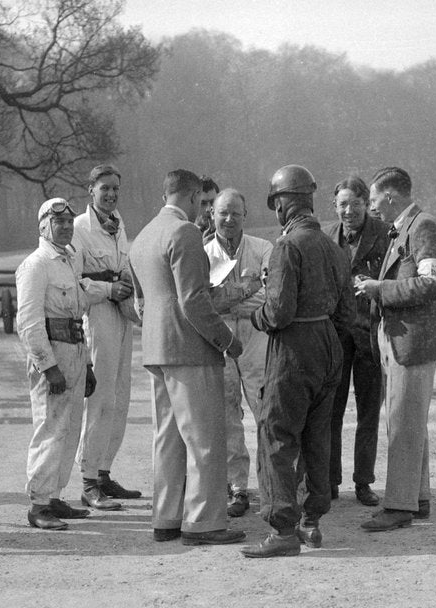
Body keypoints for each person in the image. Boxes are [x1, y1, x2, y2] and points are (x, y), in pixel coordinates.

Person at [241, 164, 355, 559]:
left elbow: (278, 313)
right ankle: (312, 522)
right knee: (317, 436)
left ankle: (283, 529)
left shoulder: (287, 247)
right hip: (328, 346)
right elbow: (347, 313)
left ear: (282, 204)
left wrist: (253, 317)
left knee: (276, 435)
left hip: (293, 347)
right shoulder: (334, 248)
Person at [129, 169, 245, 545]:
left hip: (156, 349)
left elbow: (142, 302)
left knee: (167, 438)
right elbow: (193, 300)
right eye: (205, 204)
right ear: (194, 198)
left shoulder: (143, 236)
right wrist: (226, 339)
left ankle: (167, 518)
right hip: (191, 349)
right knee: (204, 439)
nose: (206, 211)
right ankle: (205, 523)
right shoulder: (186, 232)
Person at [355, 167, 436, 533]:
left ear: (390, 196)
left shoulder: (423, 227)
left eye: (373, 201)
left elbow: (432, 283)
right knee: (412, 422)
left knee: (402, 424)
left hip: (413, 343)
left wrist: (378, 289)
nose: (371, 209)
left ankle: (399, 506)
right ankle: (418, 498)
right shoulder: (408, 227)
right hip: (405, 340)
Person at [15, 198, 101, 531]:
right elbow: (29, 322)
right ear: (43, 226)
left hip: (75, 351)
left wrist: (88, 364)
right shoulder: (36, 265)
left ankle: (54, 496)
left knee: (70, 429)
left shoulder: (69, 261)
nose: (65, 227)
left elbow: (79, 315)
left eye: (69, 221)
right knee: (50, 429)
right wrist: (48, 366)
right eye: (57, 221)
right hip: (52, 355)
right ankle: (38, 503)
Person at [73, 164, 140, 510]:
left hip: (122, 313)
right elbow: (74, 281)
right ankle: (87, 482)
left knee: (121, 395)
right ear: (91, 190)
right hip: (97, 315)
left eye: (115, 188)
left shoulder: (118, 224)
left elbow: (126, 267)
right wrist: (108, 288)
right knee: (99, 399)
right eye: (104, 189)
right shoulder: (79, 228)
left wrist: (128, 290)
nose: (111, 194)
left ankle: (103, 471)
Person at [203, 188, 271, 518]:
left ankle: (275, 484)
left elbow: (270, 297)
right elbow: (207, 303)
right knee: (227, 413)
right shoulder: (203, 254)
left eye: (236, 213)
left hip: (257, 334)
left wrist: (229, 297)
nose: (229, 219)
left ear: (246, 215)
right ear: (211, 215)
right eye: (223, 213)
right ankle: (237, 488)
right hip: (221, 338)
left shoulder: (263, 249)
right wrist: (247, 288)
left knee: (265, 407)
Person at [323, 175, 390, 507]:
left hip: (371, 334)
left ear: (367, 204)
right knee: (331, 411)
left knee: (368, 413)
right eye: (342, 204)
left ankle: (363, 481)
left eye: (356, 203)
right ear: (334, 206)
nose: (348, 211)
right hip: (335, 337)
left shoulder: (385, 235)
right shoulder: (325, 238)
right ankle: (330, 479)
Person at [194, 176, 219, 240]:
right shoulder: (182, 236)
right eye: (203, 203)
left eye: (213, 202)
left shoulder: (230, 237)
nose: (208, 209)